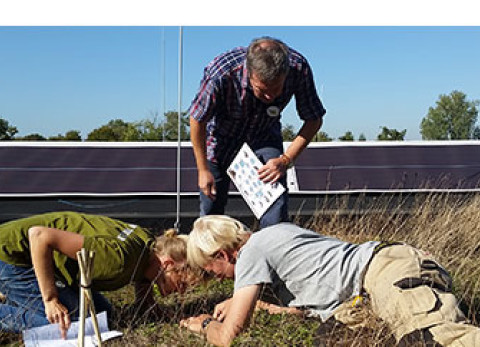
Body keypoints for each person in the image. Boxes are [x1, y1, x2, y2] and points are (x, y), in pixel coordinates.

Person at [180, 215, 480, 347]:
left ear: (223, 253)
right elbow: (302, 310)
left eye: (210, 270)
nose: (215, 278)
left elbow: (229, 336)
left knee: (433, 339)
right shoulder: (270, 238)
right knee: (332, 338)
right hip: (366, 292)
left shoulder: (250, 253)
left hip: (383, 271)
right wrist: (252, 305)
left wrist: (205, 325)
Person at [188, 37, 326, 228]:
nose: (270, 97)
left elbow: (314, 119)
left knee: (275, 202)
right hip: (221, 138)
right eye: (262, 90)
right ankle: (210, 254)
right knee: (211, 212)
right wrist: (203, 170)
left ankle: (271, 248)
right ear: (250, 72)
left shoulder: (298, 68)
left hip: (264, 135)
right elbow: (197, 120)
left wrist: (285, 160)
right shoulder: (221, 73)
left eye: (276, 89)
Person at [0, 211, 195, 338]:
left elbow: (145, 273)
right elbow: (39, 236)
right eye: (183, 284)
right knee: (68, 329)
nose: (182, 292)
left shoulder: (147, 247)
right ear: (168, 264)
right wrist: (50, 299)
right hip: (12, 255)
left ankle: (14, 295)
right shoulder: (119, 259)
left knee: (103, 317)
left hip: (46, 262)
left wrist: (147, 305)